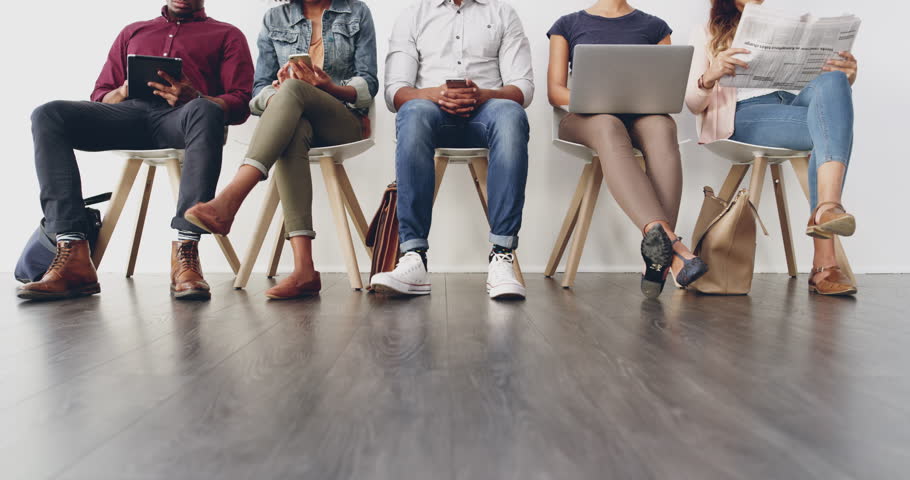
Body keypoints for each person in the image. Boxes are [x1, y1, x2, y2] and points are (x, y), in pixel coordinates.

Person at [18, 0, 254, 302]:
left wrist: (195, 96)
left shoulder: (227, 35)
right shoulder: (133, 31)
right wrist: (124, 90)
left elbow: (239, 102)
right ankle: (72, 251)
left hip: (182, 119)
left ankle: (186, 252)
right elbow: (100, 96)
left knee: (205, 109)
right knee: (47, 113)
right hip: (127, 116)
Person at [184, 0, 378, 300]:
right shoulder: (275, 18)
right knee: (292, 123)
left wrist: (327, 87)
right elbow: (257, 91)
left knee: (292, 91)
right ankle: (305, 271)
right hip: (295, 119)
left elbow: (369, 82)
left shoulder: (356, 12)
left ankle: (232, 197)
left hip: (343, 118)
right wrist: (277, 94)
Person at [686, 0, 859, 296]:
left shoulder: (788, 27)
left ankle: (826, 210)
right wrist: (712, 74)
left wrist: (846, 76)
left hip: (790, 105)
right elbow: (692, 102)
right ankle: (825, 258)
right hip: (741, 115)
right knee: (831, 129)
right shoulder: (707, 32)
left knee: (833, 80)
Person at [372, 0, 534, 300]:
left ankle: (502, 256)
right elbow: (396, 91)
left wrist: (483, 94)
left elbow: (522, 88)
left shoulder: (502, 13)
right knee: (412, 112)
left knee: (512, 114)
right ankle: (414, 257)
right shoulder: (413, 15)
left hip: (487, 112)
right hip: (431, 112)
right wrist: (436, 94)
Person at [547, 0, 709, 299]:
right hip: (585, 119)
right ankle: (673, 247)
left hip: (640, 117)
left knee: (662, 126)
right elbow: (555, 91)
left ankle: (659, 251)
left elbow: (667, 90)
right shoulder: (567, 24)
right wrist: (598, 100)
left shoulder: (655, 27)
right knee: (608, 125)